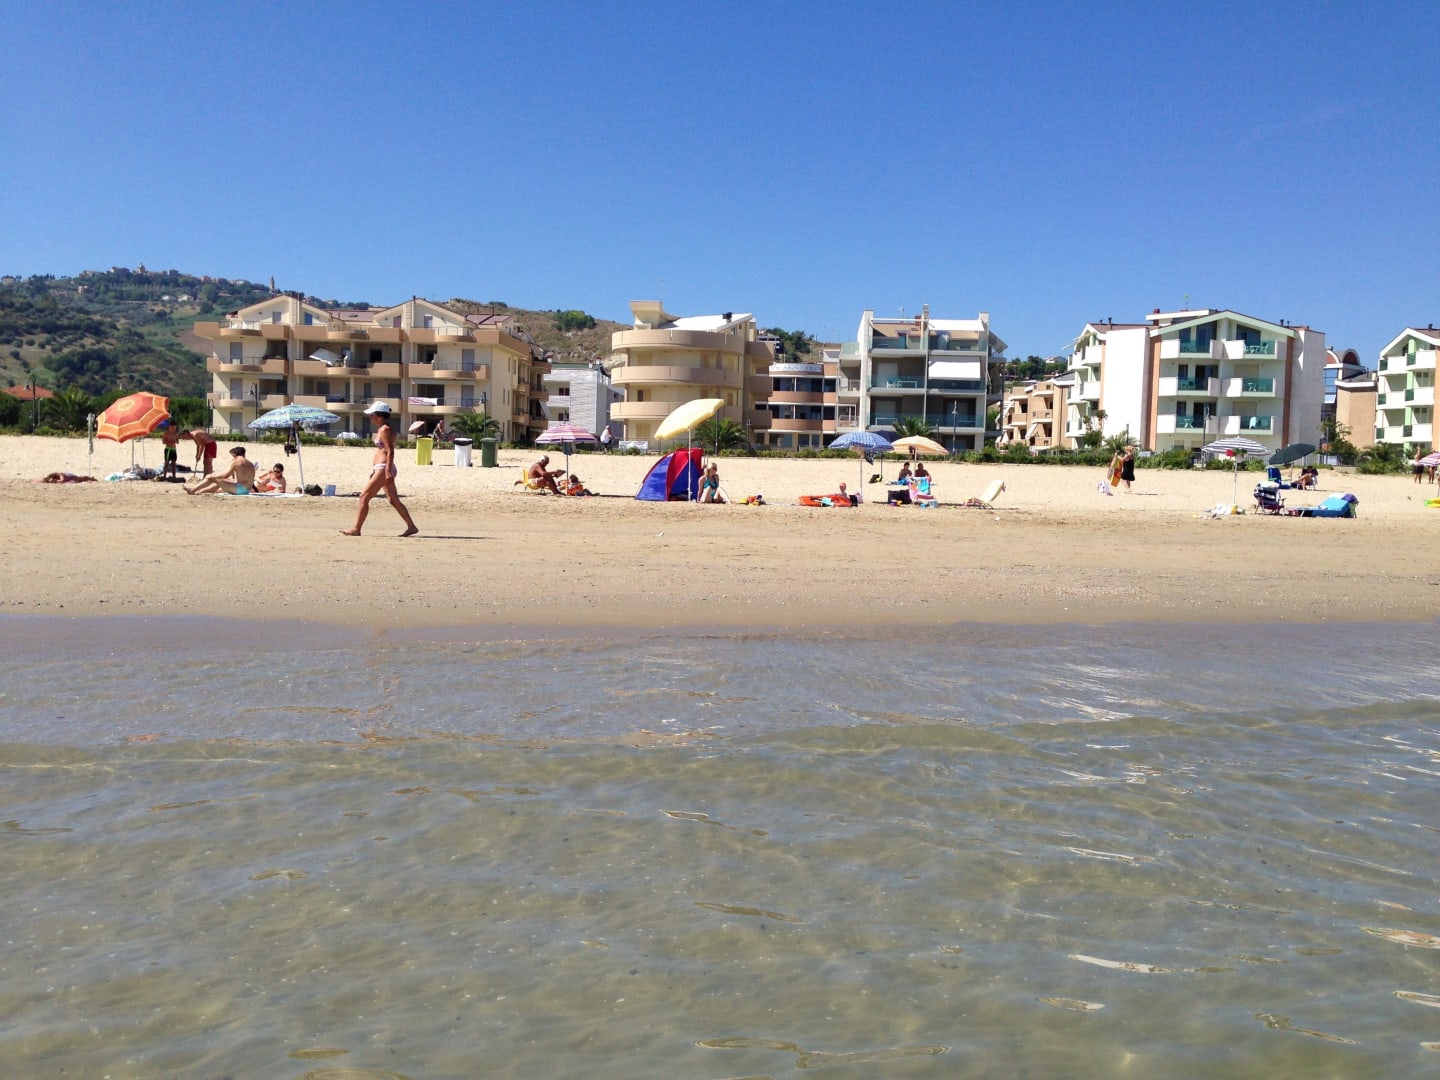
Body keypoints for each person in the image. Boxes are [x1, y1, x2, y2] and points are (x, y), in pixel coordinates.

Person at [343, 402, 419, 536]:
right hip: (381, 467)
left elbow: (390, 451)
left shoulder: (385, 430)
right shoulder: (382, 429)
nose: (370, 418)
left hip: (384, 468)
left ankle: (356, 529)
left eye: (372, 415)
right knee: (393, 499)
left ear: (379, 415)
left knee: (364, 497)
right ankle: (411, 526)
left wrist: (387, 471)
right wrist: (375, 470)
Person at [185, 446, 256, 495]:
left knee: (211, 478)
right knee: (220, 481)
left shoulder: (236, 462)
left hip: (240, 490)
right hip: (247, 489)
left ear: (234, 455)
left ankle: (192, 490)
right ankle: (201, 490)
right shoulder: (250, 464)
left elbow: (225, 475)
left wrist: (211, 475)